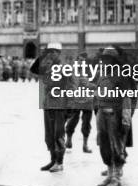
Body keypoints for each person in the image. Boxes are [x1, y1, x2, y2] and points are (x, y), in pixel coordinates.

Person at [94, 46, 132, 186]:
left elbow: (126, 99)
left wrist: (125, 118)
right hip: (101, 114)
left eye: (108, 59)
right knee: (104, 145)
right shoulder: (102, 74)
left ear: (114, 60)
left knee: (116, 146)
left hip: (114, 114)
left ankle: (116, 176)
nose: (105, 61)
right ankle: (109, 174)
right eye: (104, 59)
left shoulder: (121, 76)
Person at [30, 42, 67, 173]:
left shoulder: (64, 67)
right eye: (49, 51)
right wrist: (42, 55)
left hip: (60, 105)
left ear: (59, 53)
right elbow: (33, 69)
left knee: (58, 134)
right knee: (49, 135)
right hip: (48, 104)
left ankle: (59, 162)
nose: (51, 54)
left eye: (53, 51)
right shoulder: (47, 66)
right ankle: (53, 160)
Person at [65, 52, 95, 153]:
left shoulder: (90, 71)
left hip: (88, 101)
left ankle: (85, 145)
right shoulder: (71, 71)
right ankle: (68, 140)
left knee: (86, 123)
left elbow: (92, 83)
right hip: (76, 100)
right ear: (76, 61)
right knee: (73, 121)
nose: (82, 62)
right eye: (80, 60)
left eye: (83, 61)